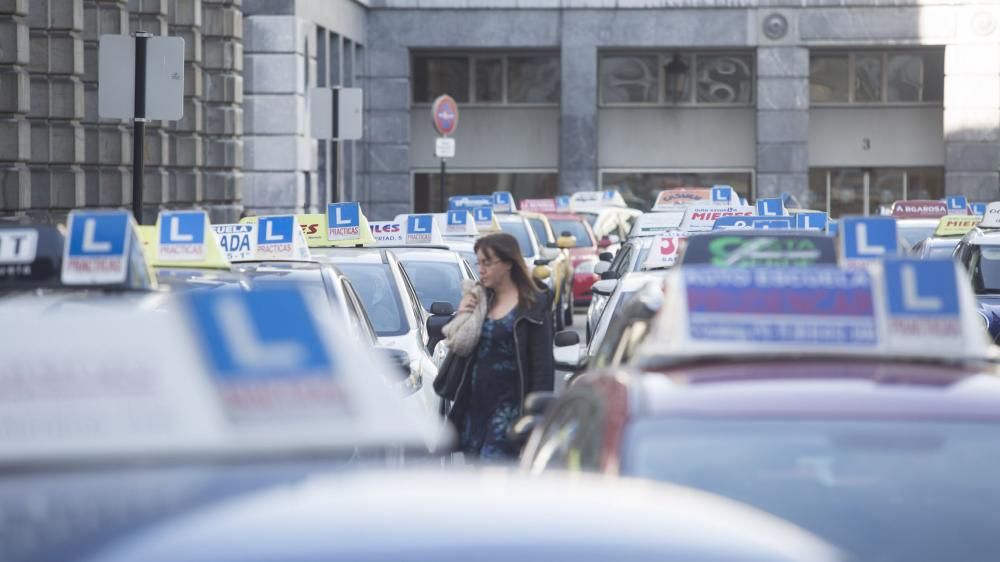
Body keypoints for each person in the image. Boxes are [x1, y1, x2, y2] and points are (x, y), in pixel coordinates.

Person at [446, 232, 554, 462]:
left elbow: (542, 367)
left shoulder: (533, 306)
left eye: (487, 263)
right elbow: (457, 345)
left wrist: (534, 420)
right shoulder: (481, 299)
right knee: (476, 481)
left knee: (495, 474)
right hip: (475, 409)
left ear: (507, 263)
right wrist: (464, 311)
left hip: (510, 411)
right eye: (479, 263)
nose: (481, 269)